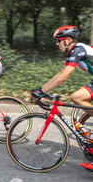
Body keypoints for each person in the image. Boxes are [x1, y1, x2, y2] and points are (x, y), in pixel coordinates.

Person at [30, 25, 93, 171]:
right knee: (76, 97)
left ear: (68, 40)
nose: (57, 44)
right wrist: (41, 90)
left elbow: (63, 78)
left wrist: (41, 91)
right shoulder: (75, 50)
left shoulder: (78, 50)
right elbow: (61, 75)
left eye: (59, 41)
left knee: (76, 97)